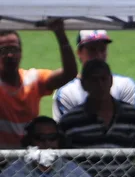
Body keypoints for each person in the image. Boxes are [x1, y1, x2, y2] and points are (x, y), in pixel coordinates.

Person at [57, 58, 135, 177]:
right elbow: (63, 163)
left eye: (104, 79)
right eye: (94, 80)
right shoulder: (69, 122)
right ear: (84, 84)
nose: (100, 85)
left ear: (111, 81)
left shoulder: (133, 116)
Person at [0, 21, 77, 149]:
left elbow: (69, 73)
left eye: (14, 49)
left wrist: (60, 35)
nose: (10, 55)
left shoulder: (32, 79)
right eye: (3, 50)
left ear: (21, 52)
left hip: (28, 158)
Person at [53, 30, 135, 121]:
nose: (99, 56)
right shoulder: (66, 92)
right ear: (79, 53)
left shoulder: (125, 85)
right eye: (92, 50)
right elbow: (66, 127)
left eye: (102, 49)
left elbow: (133, 122)